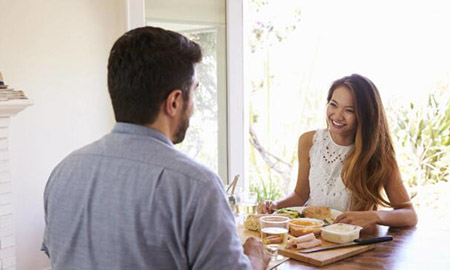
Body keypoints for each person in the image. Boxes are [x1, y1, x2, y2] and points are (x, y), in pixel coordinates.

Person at [42, 26, 269, 270]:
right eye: (193, 93)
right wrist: (254, 259)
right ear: (174, 102)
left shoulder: (63, 172)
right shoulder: (197, 186)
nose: (193, 107)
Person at [259, 74, 418, 229]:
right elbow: (300, 195)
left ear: (365, 116)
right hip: (315, 238)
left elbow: (409, 215)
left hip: (356, 242)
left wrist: (374, 216)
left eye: (349, 110)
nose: (337, 115)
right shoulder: (309, 142)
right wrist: (275, 205)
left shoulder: (377, 154)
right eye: (333, 104)